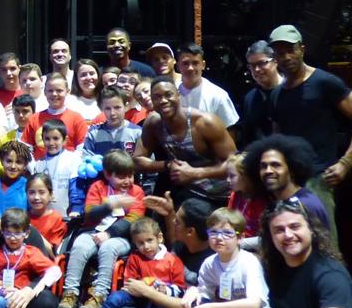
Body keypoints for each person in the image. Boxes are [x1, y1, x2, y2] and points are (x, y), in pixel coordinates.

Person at [267, 24, 352, 246]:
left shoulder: (324, 82)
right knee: (291, 246)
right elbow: (277, 139)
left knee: (324, 246)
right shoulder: (278, 94)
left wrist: (345, 163)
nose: (286, 56)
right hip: (289, 181)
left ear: (302, 49)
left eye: (290, 49)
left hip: (318, 178)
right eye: (280, 52)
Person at [59, 150, 144, 308]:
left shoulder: (137, 192)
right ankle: (70, 295)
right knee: (80, 245)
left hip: (121, 237)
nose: (127, 181)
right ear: (107, 174)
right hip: (93, 231)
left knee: (108, 247)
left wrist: (109, 234)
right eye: (121, 177)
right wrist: (110, 205)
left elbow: (133, 220)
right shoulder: (98, 187)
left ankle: (99, 296)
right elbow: (90, 213)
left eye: (130, 176)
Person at [134, 77, 236, 206]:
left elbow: (235, 163)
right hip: (188, 193)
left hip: (221, 194)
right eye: (157, 97)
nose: (163, 101)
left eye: (168, 95)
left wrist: (195, 173)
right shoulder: (153, 123)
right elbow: (137, 161)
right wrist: (168, 165)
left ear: (178, 95)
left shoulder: (205, 122)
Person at [243, 135, 330, 229]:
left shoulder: (307, 204)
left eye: (275, 165)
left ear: (292, 169)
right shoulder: (274, 203)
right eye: (263, 166)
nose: (268, 171)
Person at [21, 73, 88, 159]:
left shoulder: (77, 119)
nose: (54, 94)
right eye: (50, 90)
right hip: (40, 169)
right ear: (44, 92)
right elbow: (25, 148)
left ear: (67, 92)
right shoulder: (35, 118)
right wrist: (34, 166)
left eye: (59, 90)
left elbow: (81, 149)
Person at [176, 43, 239, 130]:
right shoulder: (171, 94)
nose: (190, 68)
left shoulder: (218, 95)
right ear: (178, 66)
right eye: (185, 63)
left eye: (195, 63)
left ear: (203, 65)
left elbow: (230, 131)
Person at [29, 120, 82, 216]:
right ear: (42, 140)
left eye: (56, 138)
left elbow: (76, 187)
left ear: (64, 140)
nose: (51, 143)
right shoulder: (39, 163)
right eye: (47, 139)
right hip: (44, 216)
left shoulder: (73, 159)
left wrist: (76, 209)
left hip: (66, 216)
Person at [239, 40, 279, 145]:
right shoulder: (250, 98)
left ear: (275, 61)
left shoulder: (290, 90)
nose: (256, 69)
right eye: (252, 65)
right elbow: (248, 136)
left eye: (262, 63)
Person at [82, 87, 142, 160]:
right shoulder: (94, 132)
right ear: (102, 108)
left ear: (126, 107)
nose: (112, 113)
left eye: (117, 108)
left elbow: (142, 163)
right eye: (107, 108)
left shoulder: (137, 132)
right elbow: (86, 159)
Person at [0, 140, 32, 213]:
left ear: (25, 165)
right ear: (1, 161)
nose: (13, 166)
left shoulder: (29, 188)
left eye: (18, 162)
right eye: (9, 161)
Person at [25, 173, 67, 250]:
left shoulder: (57, 219)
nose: (36, 197)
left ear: (50, 194)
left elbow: (52, 252)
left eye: (41, 192)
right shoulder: (22, 218)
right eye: (32, 192)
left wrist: (32, 231)